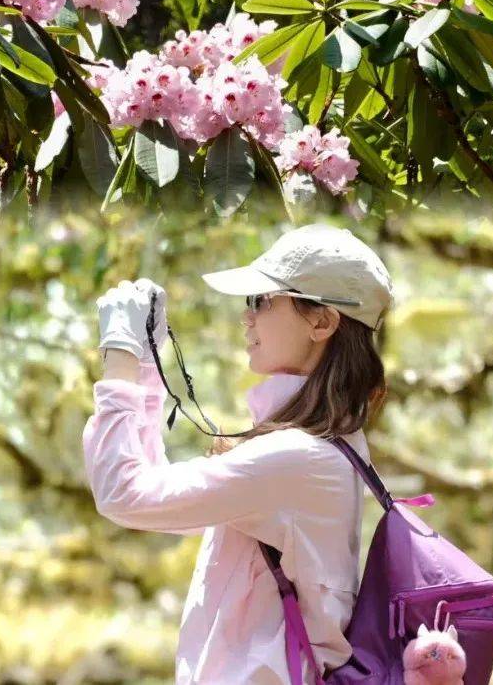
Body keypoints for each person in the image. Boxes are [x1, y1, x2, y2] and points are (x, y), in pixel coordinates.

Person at [82, 223, 394, 684]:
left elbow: (123, 494)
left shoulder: (298, 459)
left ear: (322, 322)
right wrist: (147, 371)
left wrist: (121, 354)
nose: (247, 317)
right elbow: (161, 502)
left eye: (262, 301)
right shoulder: (320, 452)